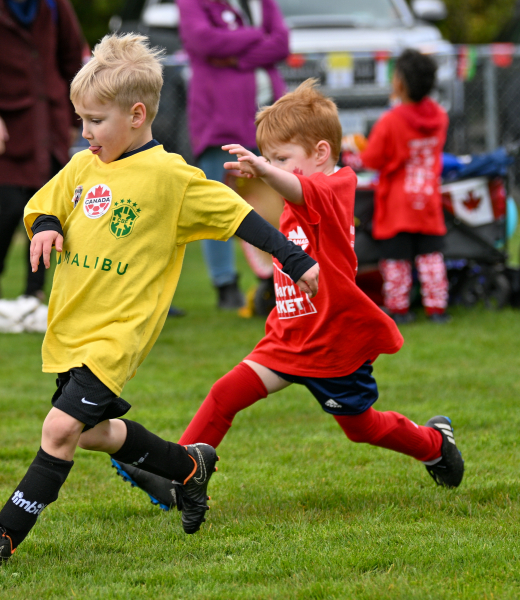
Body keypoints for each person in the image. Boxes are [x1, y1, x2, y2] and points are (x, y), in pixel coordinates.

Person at [0, 34, 319, 565]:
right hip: (72, 329)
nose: (86, 133)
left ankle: (3, 536)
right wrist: (46, 228)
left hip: (117, 335)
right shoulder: (83, 166)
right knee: (94, 434)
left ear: (136, 114)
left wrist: (295, 258)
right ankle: (190, 469)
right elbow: (42, 206)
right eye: (81, 119)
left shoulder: (170, 178)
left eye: (95, 121)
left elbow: (237, 216)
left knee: (59, 429)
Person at [113, 80, 463, 514]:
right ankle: (178, 474)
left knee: (360, 428)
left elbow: (300, 189)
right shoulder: (294, 192)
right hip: (288, 338)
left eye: (282, 158)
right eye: (271, 157)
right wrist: (257, 176)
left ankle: (434, 444)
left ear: (319, 153)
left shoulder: (337, 186)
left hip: (334, 346)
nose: (273, 166)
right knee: (225, 394)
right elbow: (271, 202)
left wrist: (264, 169)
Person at [0, 0, 86, 302]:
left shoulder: (55, 7)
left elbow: (73, 62)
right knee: (11, 209)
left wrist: (76, 116)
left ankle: (33, 291)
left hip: (49, 128)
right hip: (4, 131)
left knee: (45, 213)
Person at [178, 0, 289, 309]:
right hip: (220, 121)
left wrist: (236, 57)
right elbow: (204, 41)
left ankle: (275, 279)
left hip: (269, 120)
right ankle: (225, 284)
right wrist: (255, 36)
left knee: (274, 202)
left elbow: (281, 42)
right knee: (216, 203)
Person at [361, 50, 450, 325]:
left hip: (398, 203)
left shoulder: (390, 121)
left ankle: (399, 310)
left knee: (396, 260)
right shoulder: (440, 117)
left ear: (399, 83)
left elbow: (371, 159)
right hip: (428, 199)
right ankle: (437, 309)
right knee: (431, 257)